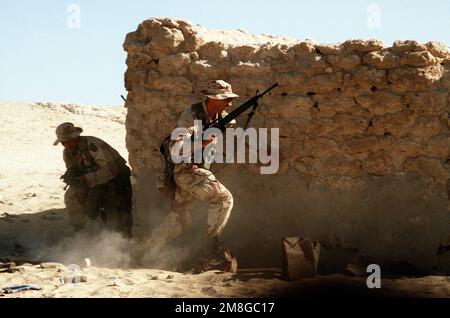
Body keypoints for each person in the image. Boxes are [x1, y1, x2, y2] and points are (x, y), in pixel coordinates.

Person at [142, 80, 238, 272]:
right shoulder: (190, 117)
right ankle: (210, 254)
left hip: (194, 171)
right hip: (187, 170)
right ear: (212, 98)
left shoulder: (220, 116)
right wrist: (203, 142)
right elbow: (176, 149)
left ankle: (145, 252)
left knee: (180, 220)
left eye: (230, 99)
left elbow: (236, 134)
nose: (229, 103)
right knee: (223, 199)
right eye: (225, 99)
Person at [54, 122, 132, 236]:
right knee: (71, 196)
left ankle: (121, 240)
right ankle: (82, 232)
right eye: (63, 142)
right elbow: (74, 171)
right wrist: (72, 177)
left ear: (76, 136)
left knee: (115, 218)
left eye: (69, 140)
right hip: (94, 183)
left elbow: (110, 171)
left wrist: (86, 178)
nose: (67, 144)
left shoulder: (93, 145)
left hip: (115, 181)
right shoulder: (67, 153)